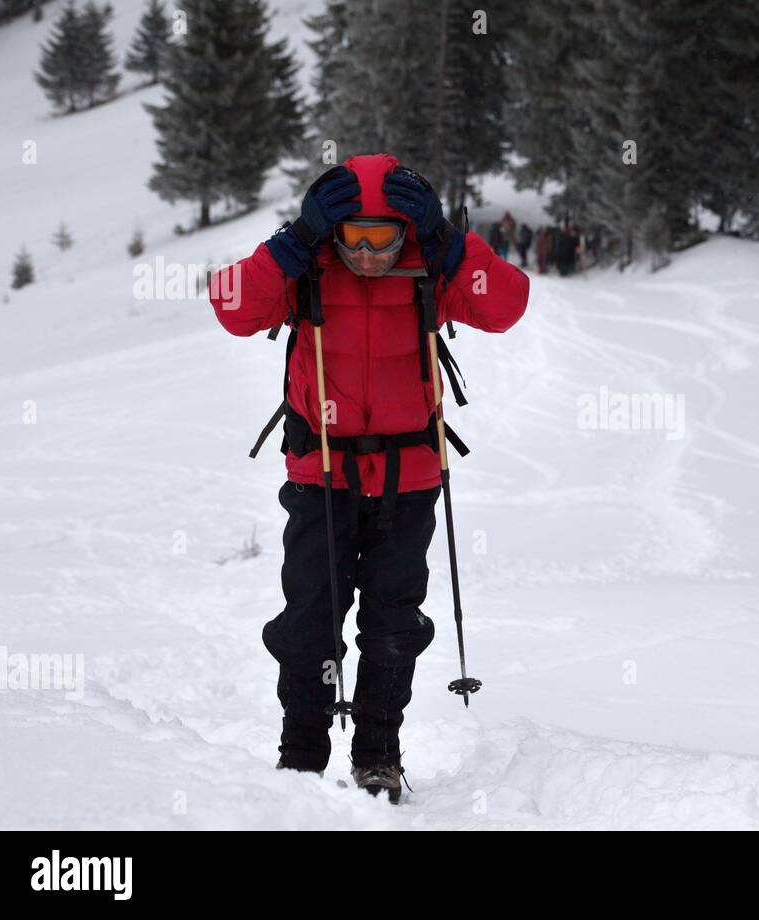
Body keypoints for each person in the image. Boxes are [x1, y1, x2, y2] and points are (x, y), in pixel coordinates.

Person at [208, 153, 529, 799]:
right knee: (309, 623)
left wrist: (449, 244)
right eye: (354, 235)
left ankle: (378, 756)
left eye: (383, 238)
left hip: (409, 478)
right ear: (333, 228)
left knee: (392, 624)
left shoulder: (429, 269)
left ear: (406, 232)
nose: (369, 253)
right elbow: (234, 307)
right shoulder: (307, 266)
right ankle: (300, 757)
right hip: (319, 473)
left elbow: (506, 307)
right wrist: (292, 242)